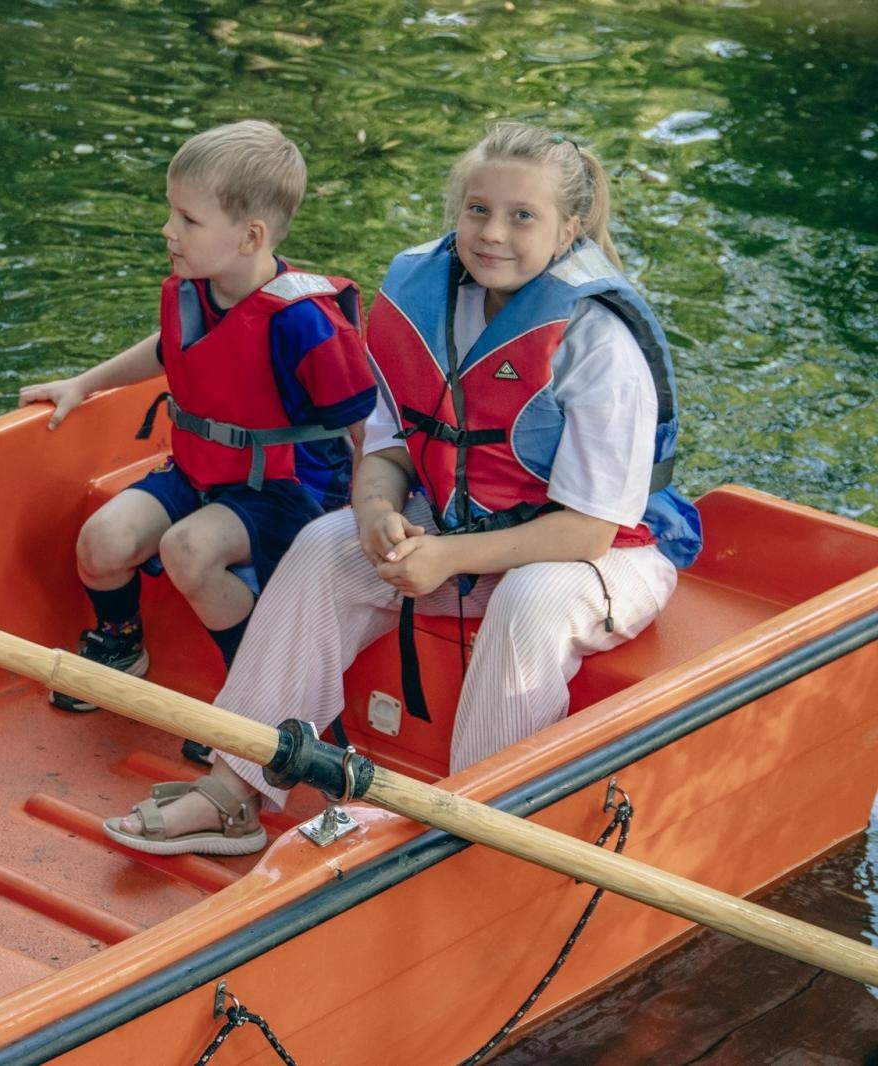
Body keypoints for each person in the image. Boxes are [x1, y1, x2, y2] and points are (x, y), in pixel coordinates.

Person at [103, 121, 703, 856]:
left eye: (523, 217)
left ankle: (473, 825)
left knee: (530, 600)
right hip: (456, 519)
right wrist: (377, 507)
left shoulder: (595, 336)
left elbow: (589, 532)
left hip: (598, 552)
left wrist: (448, 559)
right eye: (478, 210)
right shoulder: (421, 288)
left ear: (569, 227)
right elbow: (387, 442)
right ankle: (234, 788)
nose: (493, 234)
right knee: (328, 546)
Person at [18, 120, 377, 711]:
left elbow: (368, 429)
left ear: (250, 235)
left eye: (188, 220)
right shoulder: (198, 289)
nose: (169, 231)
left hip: (288, 492)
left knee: (188, 548)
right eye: (172, 213)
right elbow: (170, 348)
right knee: (101, 541)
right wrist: (83, 383)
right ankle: (121, 646)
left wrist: (365, 519)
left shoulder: (306, 322)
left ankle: (254, 694)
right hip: (201, 473)